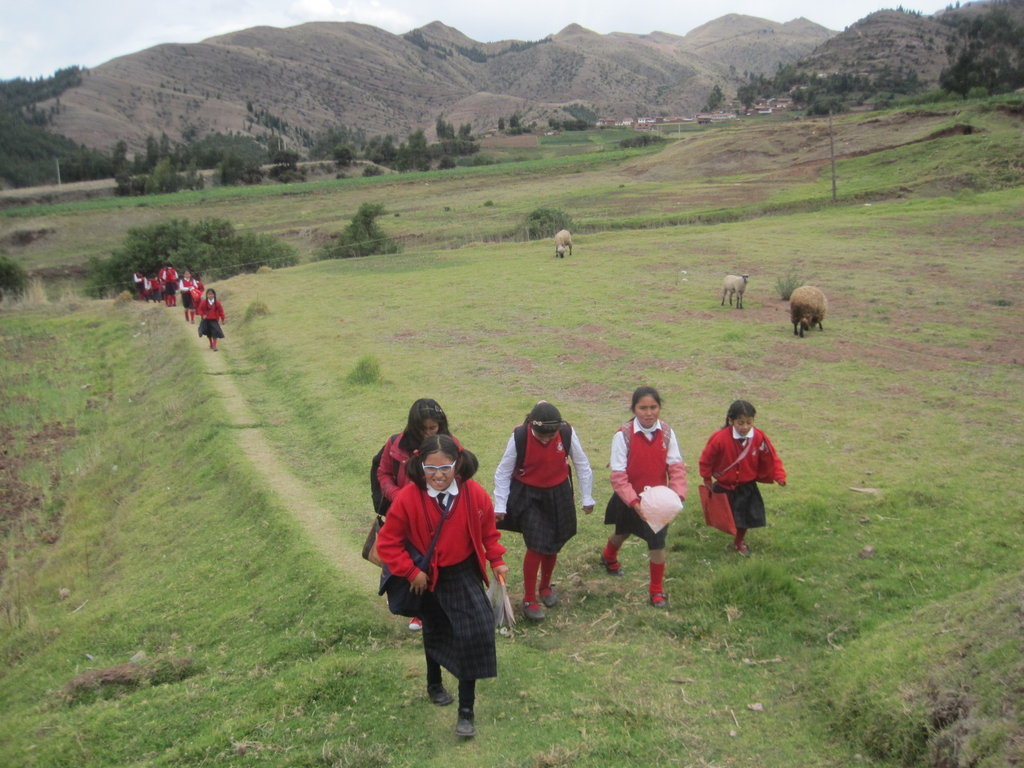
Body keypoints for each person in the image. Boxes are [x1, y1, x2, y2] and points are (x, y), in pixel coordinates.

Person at [375, 434, 508, 740]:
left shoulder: (474, 494)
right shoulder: (408, 498)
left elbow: (489, 531)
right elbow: (388, 543)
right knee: (434, 630)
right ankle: (434, 683)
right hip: (425, 579)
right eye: (430, 469)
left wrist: (497, 560)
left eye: (445, 468)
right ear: (420, 466)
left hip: (462, 574)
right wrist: (410, 572)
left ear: (457, 464)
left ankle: (466, 711)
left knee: (474, 634)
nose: (437, 475)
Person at [493, 401, 594, 622]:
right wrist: (499, 505)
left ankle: (546, 586)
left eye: (551, 435)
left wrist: (587, 497)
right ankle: (529, 598)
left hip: (558, 493)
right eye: (541, 436)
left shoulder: (567, 433)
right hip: (529, 495)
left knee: (554, 542)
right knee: (537, 545)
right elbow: (503, 471)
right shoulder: (520, 436)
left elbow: (582, 464)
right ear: (531, 426)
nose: (547, 439)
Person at [600, 386, 687, 609]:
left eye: (653, 407)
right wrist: (634, 502)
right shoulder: (623, 435)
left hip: (657, 504)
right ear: (634, 409)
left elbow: (676, 466)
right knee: (622, 533)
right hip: (629, 499)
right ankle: (609, 556)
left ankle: (656, 591)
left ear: (659, 408)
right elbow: (618, 475)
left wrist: (677, 495)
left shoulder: (667, 433)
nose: (648, 413)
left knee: (657, 545)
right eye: (643, 408)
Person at [376, 398, 455, 632]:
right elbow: (384, 474)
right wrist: (398, 496)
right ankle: (416, 611)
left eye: (434, 428)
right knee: (408, 563)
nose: (429, 434)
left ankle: (435, 608)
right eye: (424, 429)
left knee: (436, 562)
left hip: (439, 517)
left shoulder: (450, 445)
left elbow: (459, 479)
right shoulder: (395, 444)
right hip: (404, 517)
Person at [698, 399, 787, 556]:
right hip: (725, 486)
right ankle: (733, 533)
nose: (745, 427)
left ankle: (739, 541)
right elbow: (706, 460)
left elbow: (771, 458)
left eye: (748, 422)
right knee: (727, 517)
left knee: (744, 518)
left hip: (747, 486)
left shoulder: (759, 437)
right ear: (731, 421)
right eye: (740, 423)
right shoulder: (719, 438)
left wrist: (779, 475)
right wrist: (706, 479)